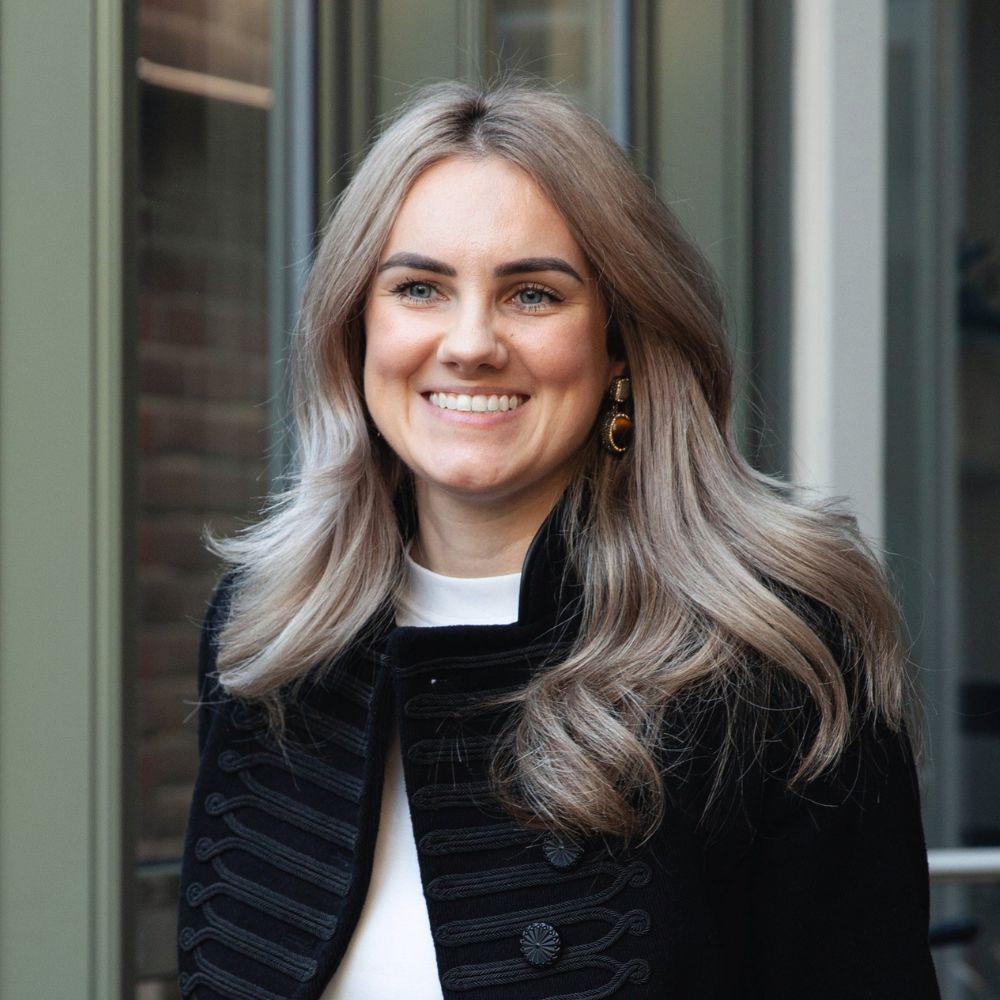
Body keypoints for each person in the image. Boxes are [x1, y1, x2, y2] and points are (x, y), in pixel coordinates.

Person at [177, 81, 940, 1000]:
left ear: (619, 340)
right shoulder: (266, 632)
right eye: (418, 287)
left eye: (532, 294)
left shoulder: (774, 654)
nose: (470, 344)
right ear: (355, 330)